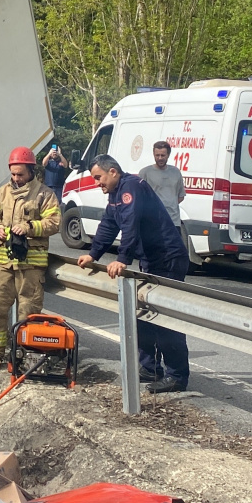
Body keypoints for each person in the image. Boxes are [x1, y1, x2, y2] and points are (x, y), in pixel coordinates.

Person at [76, 154, 191, 393]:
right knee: (144, 316)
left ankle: (177, 375)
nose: (98, 183)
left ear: (113, 172)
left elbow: (131, 225)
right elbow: (109, 225)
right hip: (150, 259)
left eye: (99, 177)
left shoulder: (131, 187)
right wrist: (93, 255)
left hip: (168, 258)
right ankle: (150, 368)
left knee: (166, 319)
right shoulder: (115, 195)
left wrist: (122, 259)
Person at [0, 147, 61, 372]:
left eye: (21, 175)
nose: (16, 179)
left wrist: (29, 227)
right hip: (3, 262)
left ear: (31, 171)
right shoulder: (3, 192)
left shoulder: (44, 194)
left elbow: (54, 223)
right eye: (13, 174)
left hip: (31, 265)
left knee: (29, 312)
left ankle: (26, 353)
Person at [138, 140, 186, 230]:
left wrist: (169, 205)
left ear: (168, 155)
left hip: (173, 222)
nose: (160, 158)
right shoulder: (145, 173)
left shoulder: (175, 172)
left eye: (163, 155)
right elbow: (139, 197)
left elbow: (180, 196)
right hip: (153, 221)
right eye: (157, 155)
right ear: (153, 155)